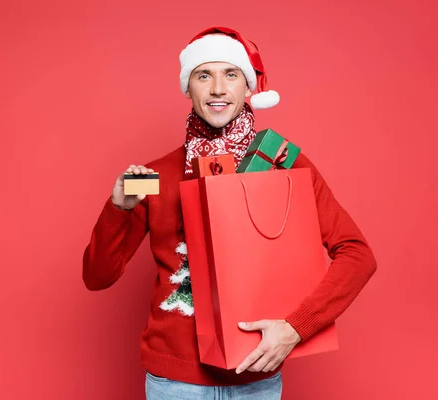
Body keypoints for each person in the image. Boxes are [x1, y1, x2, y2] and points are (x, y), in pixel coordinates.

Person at [82, 26, 377, 400]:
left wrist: (296, 328)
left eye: (231, 74)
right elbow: (97, 277)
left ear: (249, 87)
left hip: (257, 377)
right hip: (174, 384)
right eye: (204, 75)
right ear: (188, 88)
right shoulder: (153, 177)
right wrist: (117, 209)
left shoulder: (285, 162)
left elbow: (358, 255)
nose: (218, 89)